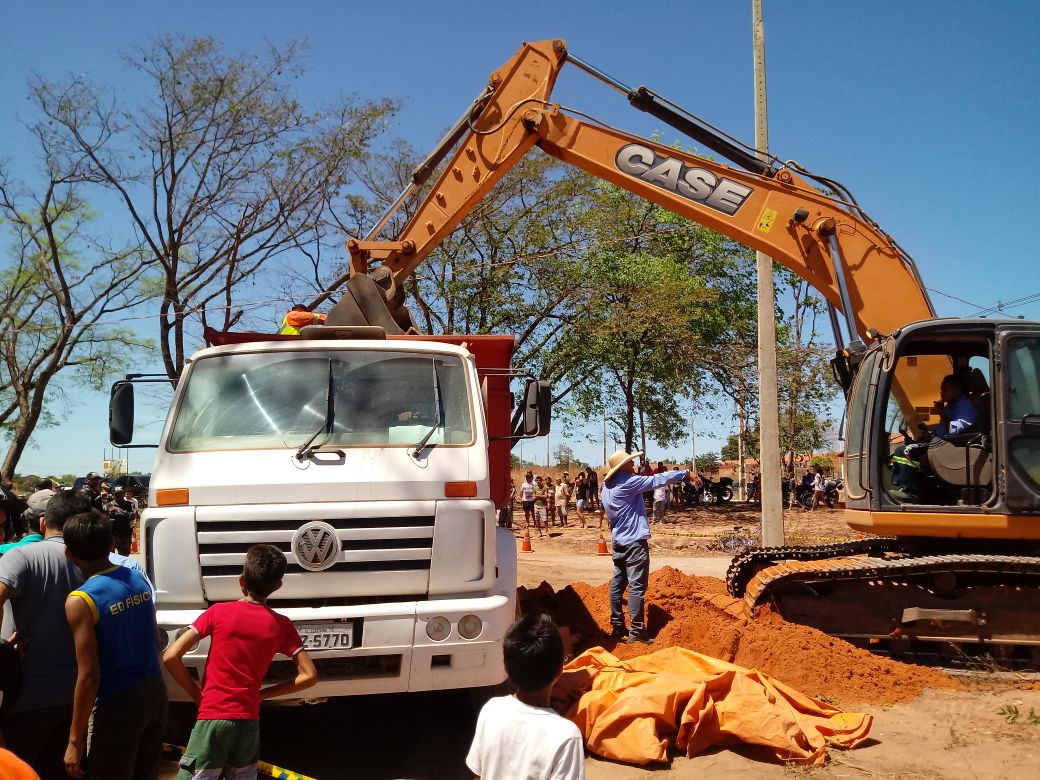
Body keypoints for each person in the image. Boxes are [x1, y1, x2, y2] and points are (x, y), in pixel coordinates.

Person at [164, 544, 317, 780]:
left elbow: (171, 656)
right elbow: (309, 676)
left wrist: (196, 694)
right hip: (248, 722)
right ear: (278, 586)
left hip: (212, 718)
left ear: (241, 580)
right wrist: (262, 695)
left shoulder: (217, 613)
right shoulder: (282, 625)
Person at [62, 510, 167, 780]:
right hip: (155, 692)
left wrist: (74, 741)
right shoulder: (137, 579)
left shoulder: (81, 600)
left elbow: (89, 675)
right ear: (111, 543)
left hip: (117, 703)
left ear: (68, 554)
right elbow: (155, 641)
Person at [0, 489, 88, 780]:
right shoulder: (96, 562)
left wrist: (1, 651)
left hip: (28, 698)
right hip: (78, 699)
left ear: (41, 524)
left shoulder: (20, 557)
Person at [466, 613, 584, 780]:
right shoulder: (567, 736)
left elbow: (477, 774)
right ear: (560, 669)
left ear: (505, 666)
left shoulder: (491, 710)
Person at [601, 450, 689, 644]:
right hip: (634, 543)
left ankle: (617, 626)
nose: (633, 466)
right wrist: (685, 473)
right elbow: (657, 480)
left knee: (617, 585)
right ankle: (637, 632)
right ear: (622, 466)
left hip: (618, 542)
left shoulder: (605, 487)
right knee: (636, 588)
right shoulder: (629, 482)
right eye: (630, 463)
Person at [105, 486, 137, 556]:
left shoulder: (130, 504)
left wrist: (118, 510)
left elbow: (132, 516)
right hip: (112, 534)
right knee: (110, 557)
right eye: (117, 494)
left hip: (124, 534)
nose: (119, 495)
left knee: (124, 556)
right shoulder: (108, 505)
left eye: (121, 493)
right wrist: (124, 514)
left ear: (123, 494)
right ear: (114, 494)